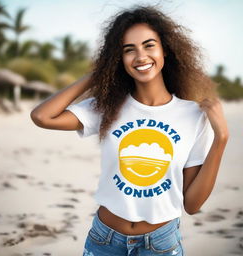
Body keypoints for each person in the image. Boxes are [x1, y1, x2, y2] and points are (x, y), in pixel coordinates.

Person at [30, 5, 229, 256]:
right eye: (128, 50)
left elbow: (192, 204)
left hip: (161, 245)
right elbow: (42, 116)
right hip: (104, 240)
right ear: (118, 58)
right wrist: (98, 73)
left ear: (164, 49)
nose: (140, 56)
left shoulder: (193, 116)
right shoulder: (107, 106)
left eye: (149, 45)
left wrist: (221, 139)